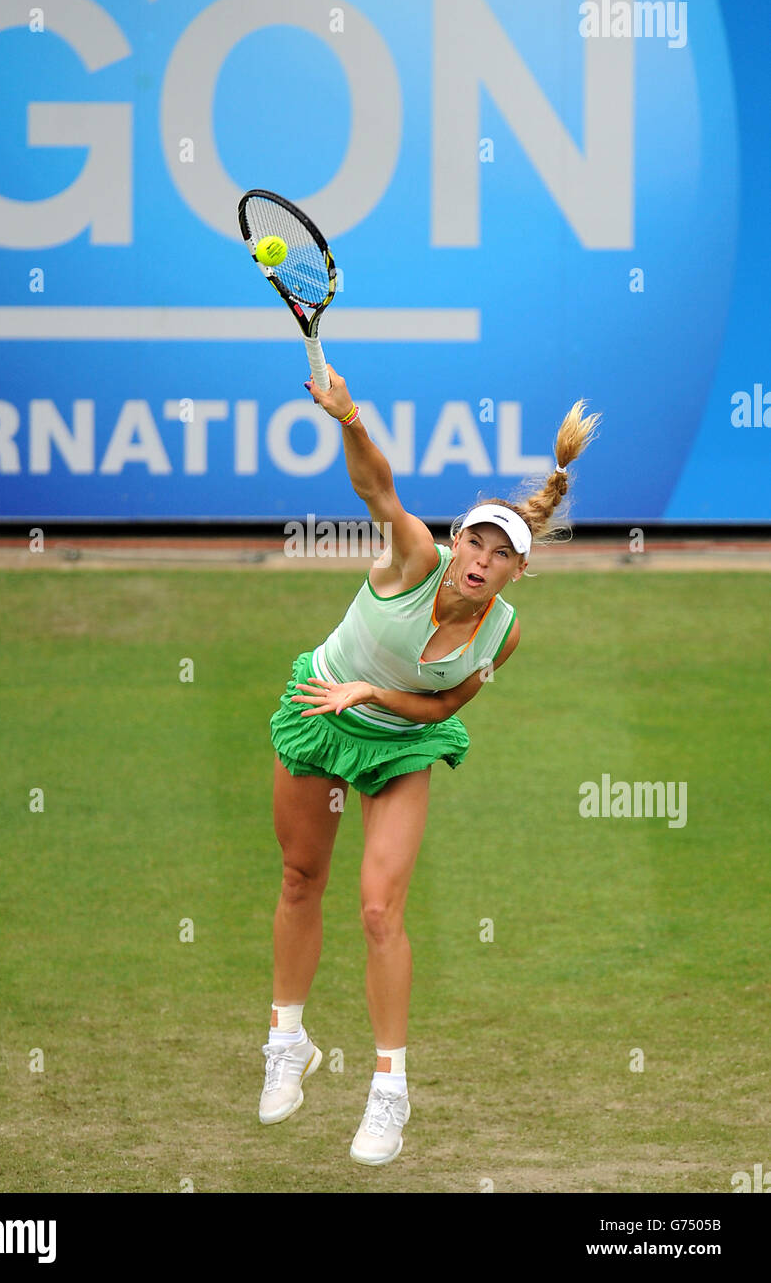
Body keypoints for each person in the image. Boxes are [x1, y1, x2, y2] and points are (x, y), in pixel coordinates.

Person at [260, 363, 600, 1165]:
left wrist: (375, 690)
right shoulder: (413, 559)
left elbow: (443, 710)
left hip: (400, 736)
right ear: (454, 544)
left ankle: (388, 1094)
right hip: (320, 708)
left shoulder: (503, 634)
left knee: (380, 912)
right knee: (301, 877)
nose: (482, 559)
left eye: (501, 554)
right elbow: (378, 491)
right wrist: (349, 421)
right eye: (474, 541)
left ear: (521, 571)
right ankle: (287, 1042)